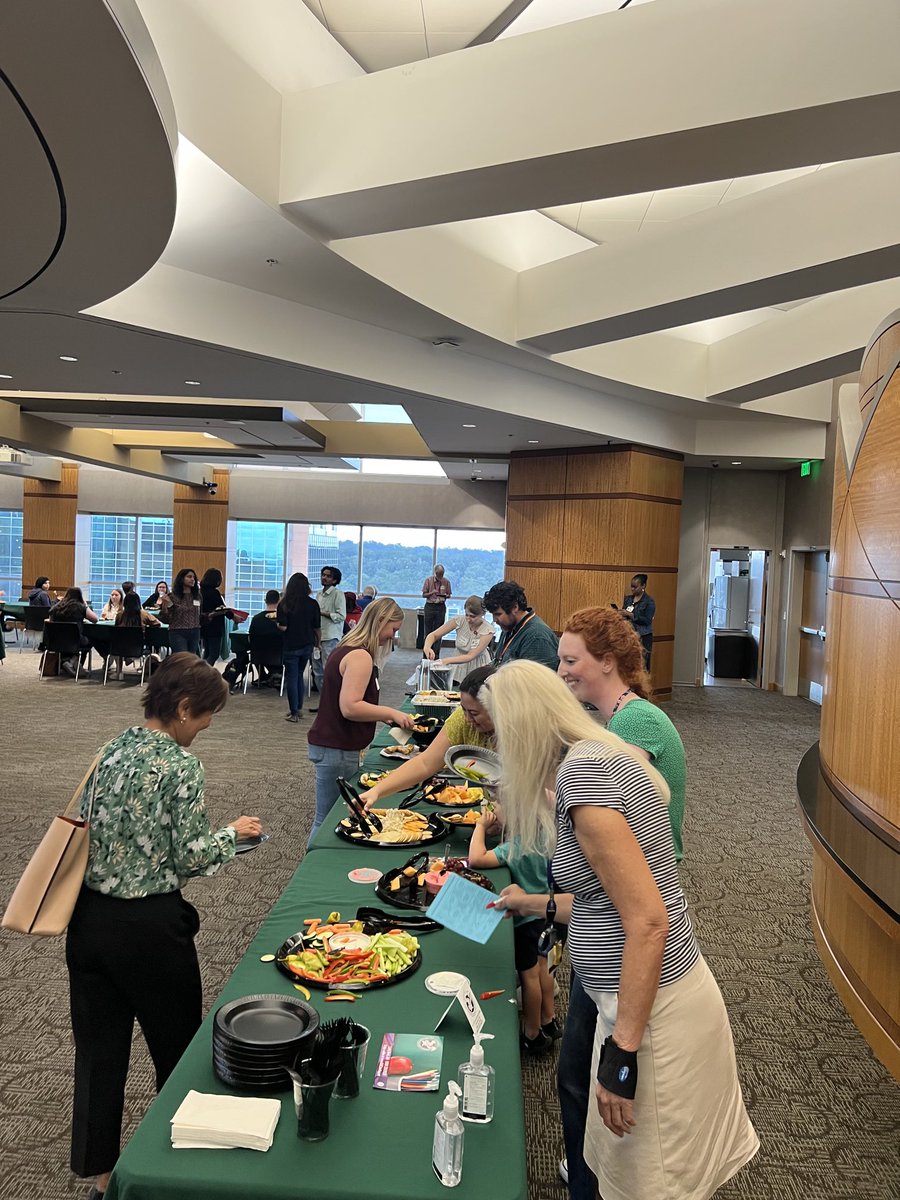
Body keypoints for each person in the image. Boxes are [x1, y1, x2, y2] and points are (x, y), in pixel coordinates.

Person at [486, 661, 758, 1200]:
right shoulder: (595, 757)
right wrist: (533, 904)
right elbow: (603, 900)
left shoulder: (585, 777)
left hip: (651, 1015)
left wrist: (623, 1053)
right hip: (635, 997)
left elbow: (647, 921)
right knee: (620, 1172)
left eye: (500, 730)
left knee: (649, 1182)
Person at [65, 653, 262, 1200]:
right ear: (181, 709)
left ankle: (103, 1175)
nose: (208, 725)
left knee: (99, 1054)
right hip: (150, 929)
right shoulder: (180, 766)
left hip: (88, 921)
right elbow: (192, 856)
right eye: (207, 715)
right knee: (176, 1052)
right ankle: (174, 1171)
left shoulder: (112, 748)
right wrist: (234, 835)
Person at [555, 605, 687, 1199]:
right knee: (576, 1071)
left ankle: (591, 1180)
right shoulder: (605, 723)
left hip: (632, 940)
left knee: (595, 1078)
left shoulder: (635, 732)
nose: (561, 673)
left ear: (608, 662)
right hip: (607, 932)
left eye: (570, 661)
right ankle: (587, 1171)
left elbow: (637, 885)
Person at [307, 597, 414, 845]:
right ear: (380, 621)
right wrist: (390, 713)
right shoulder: (360, 656)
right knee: (328, 819)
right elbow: (350, 707)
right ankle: (316, 863)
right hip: (338, 746)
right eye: (393, 629)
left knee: (328, 817)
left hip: (335, 745)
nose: (392, 636)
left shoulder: (350, 649)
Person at [468, 807, 558, 1056]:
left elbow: (476, 858)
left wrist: (480, 827)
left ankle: (532, 1032)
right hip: (547, 913)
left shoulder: (515, 847)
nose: (495, 808)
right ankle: (549, 1019)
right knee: (546, 968)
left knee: (529, 977)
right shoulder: (547, 840)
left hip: (525, 921)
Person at [360, 664, 497, 809]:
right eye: (463, 710)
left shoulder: (519, 731)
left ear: (498, 708)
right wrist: (376, 791)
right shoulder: (461, 720)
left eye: (474, 713)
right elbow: (425, 763)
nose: (467, 719)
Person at [483, 580, 559, 670]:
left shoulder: (537, 637)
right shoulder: (508, 627)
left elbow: (536, 681)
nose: (494, 620)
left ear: (515, 607)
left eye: (498, 614)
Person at [276, 574, 320, 721]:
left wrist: (276, 624)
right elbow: (317, 628)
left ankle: (294, 712)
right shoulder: (313, 604)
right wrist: (318, 643)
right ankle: (299, 708)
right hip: (307, 644)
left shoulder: (284, 604)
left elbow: (283, 627)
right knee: (300, 675)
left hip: (291, 645)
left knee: (292, 677)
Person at [424, 594, 495, 684]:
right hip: (458, 662)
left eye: (473, 616)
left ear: (482, 614)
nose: (469, 619)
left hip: (477, 665)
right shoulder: (459, 620)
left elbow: (470, 656)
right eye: (467, 615)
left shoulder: (487, 630)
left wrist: (445, 661)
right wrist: (427, 647)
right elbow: (433, 635)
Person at [310, 566, 346, 709]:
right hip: (317, 636)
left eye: (328, 576)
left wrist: (324, 613)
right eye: (323, 575)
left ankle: (333, 705)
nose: (324, 578)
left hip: (330, 636)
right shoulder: (319, 594)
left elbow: (341, 616)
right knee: (317, 672)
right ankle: (324, 703)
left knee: (329, 671)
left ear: (334, 580)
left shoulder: (338, 594)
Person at [110, 591, 161, 681]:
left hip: (121, 647)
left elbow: (116, 628)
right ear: (138, 602)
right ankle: (131, 658)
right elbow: (157, 624)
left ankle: (119, 672)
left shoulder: (120, 615)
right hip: (138, 647)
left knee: (116, 646)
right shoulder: (143, 614)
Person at [48, 586, 99, 676]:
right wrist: (85, 605)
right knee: (91, 639)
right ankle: (74, 663)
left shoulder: (57, 607)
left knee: (67, 641)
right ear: (80, 596)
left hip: (56, 641)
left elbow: (50, 619)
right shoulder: (80, 607)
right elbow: (95, 619)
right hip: (75, 640)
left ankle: (67, 662)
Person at [157, 568, 202, 656]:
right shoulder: (172, 596)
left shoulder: (197, 596)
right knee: (181, 658)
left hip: (195, 631)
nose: (192, 579)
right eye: (189, 577)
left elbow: (200, 613)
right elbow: (165, 618)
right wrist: (168, 605)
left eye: (194, 577)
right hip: (177, 631)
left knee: (191, 659)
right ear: (182, 579)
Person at [619, 574, 655, 669]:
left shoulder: (649, 601)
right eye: (631, 586)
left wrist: (631, 615)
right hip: (629, 635)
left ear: (643, 586)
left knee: (643, 665)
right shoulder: (628, 599)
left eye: (635, 587)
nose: (632, 589)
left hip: (643, 636)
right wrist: (621, 613)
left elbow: (647, 620)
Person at [199, 568, 229, 665]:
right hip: (214, 627)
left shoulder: (200, 591)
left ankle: (202, 673)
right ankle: (203, 673)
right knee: (214, 654)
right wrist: (233, 616)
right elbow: (222, 609)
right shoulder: (214, 593)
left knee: (206, 652)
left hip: (204, 624)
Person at [421, 564, 452, 654]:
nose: (440, 576)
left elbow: (449, 594)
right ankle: (426, 654)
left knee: (439, 631)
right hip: (430, 606)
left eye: (442, 574)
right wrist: (432, 593)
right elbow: (423, 594)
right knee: (428, 631)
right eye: (439, 574)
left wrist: (445, 595)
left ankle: (436, 654)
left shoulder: (446, 582)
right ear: (435, 573)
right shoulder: (428, 580)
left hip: (441, 606)